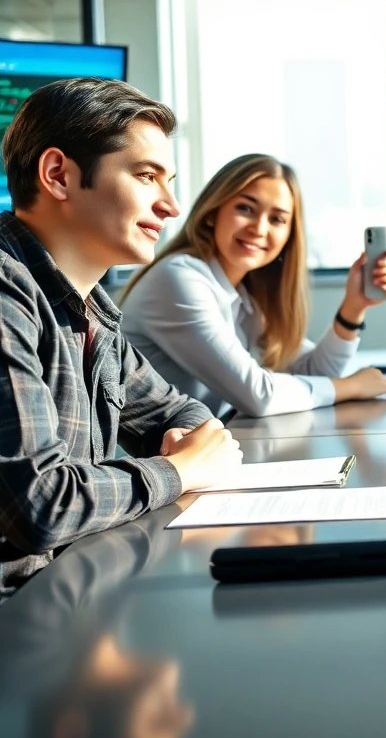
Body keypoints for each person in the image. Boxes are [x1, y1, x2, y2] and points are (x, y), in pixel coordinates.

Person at [0, 78, 241, 599]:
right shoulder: (5, 295)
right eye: (147, 176)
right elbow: (40, 505)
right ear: (58, 175)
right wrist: (178, 469)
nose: (172, 206)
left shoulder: (90, 313)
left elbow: (183, 413)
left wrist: (191, 443)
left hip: (74, 596)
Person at [120, 153, 386, 418]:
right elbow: (258, 395)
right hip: (148, 465)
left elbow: (315, 372)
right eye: (245, 208)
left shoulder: (241, 295)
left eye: (277, 219)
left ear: (289, 235)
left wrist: (354, 307)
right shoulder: (178, 278)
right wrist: (351, 387)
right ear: (212, 213)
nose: (259, 228)